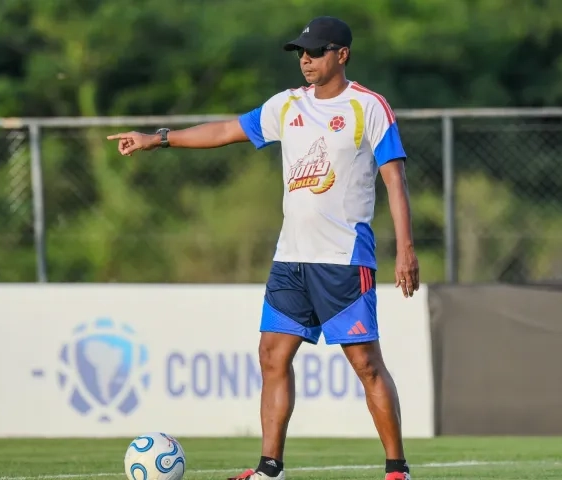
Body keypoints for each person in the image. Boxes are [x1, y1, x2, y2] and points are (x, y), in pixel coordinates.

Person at [106, 15, 419, 480]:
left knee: (367, 365)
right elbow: (226, 131)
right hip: (290, 259)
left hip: (343, 260)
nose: (306, 60)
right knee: (272, 355)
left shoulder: (369, 107)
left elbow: (394, 178)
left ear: (342, 55)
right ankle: (270, 468)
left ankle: (397, 469)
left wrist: (406, 249)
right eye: (301, 53)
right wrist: (159, 139)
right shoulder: (287, 105)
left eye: (315, 52)